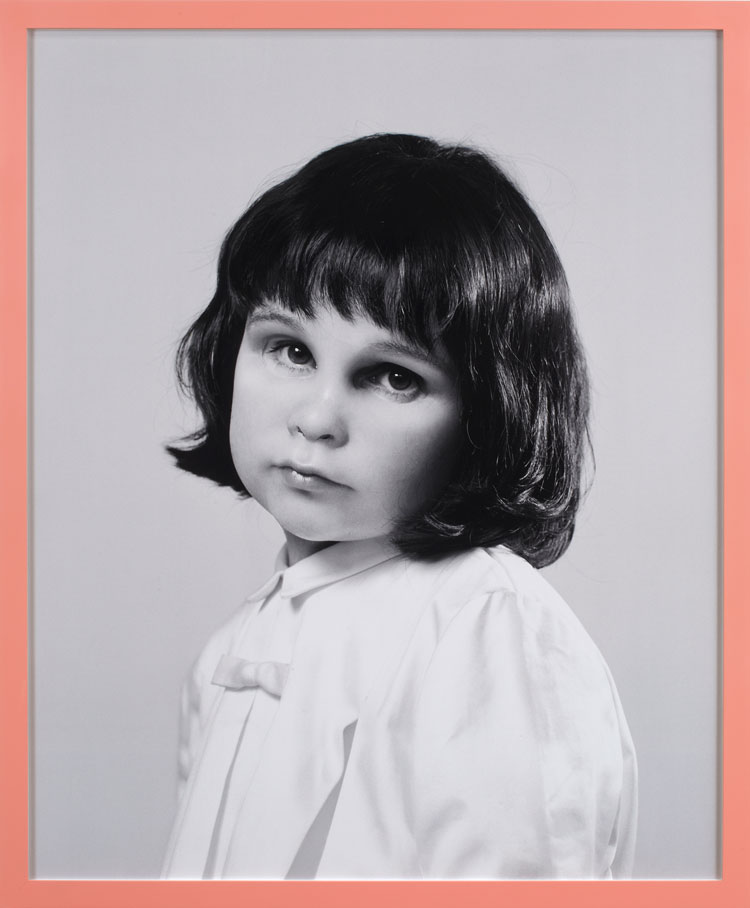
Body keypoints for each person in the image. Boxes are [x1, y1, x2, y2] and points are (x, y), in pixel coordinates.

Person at [161, 133, 637, 880]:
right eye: (289, 350)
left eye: (391, 376)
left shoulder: (485, 632)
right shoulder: (232, 650)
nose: (317, 419)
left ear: (486, 411)